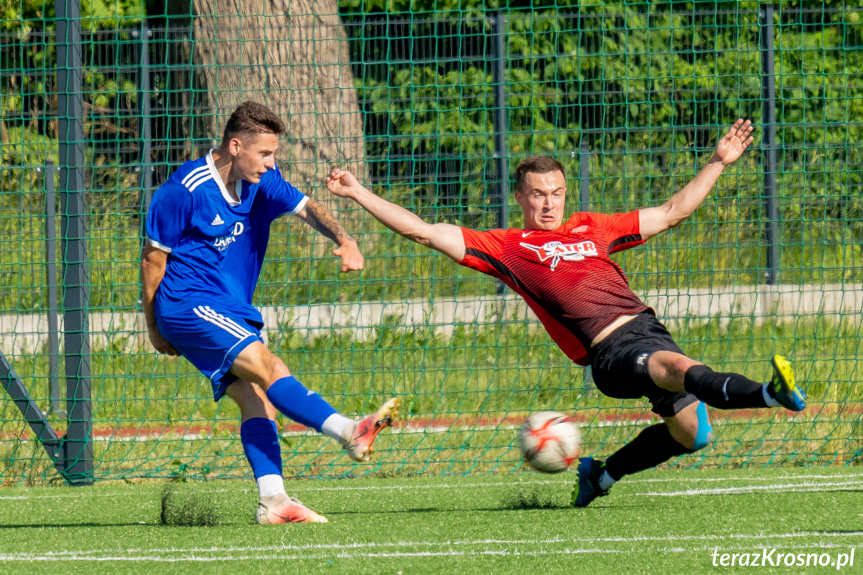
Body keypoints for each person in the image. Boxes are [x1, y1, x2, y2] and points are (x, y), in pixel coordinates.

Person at [325, 119, 805, 508]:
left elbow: (671, 211)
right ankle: (769, 392)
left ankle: (601, 475)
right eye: (538, 193)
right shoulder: (507, 247)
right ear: (520, 197)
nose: (548, 202)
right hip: (610, 354)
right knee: (675, 368)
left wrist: (718, 162)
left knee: (693, 434)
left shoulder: (592, 228)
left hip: (648, 328)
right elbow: (425, 232)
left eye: (556, 192)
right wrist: (359, 192)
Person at [141, 101, 400, 524]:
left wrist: (346, 239)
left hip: (229, 308)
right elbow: (153, 260)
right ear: (235, 145)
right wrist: (154, 326)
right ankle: (349, 431)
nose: (271, 163)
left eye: (274, 154)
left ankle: (274, 501)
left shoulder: (262, 181)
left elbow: (305, 206)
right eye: (265, 154)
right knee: (268, 365)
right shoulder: (184, 189)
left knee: (258, 398)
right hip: (187, 304)